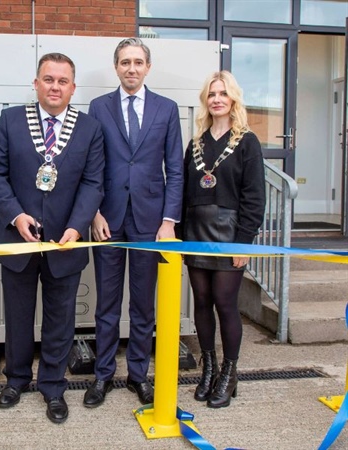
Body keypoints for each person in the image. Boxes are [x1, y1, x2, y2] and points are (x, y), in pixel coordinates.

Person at [0, 53, 105, 424]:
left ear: (73, 87)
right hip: (17, 239)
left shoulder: (89, 129)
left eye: (62, 81)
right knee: (18, 317)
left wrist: (77, 224)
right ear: (35, 83)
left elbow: (93, 182)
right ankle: (16, 380)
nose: (55, 86)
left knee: (60, 320)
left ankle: (53, 386)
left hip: (65, 243)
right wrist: (16, 215)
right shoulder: (11, 120)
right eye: (48, 79)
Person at [83, 37, 184, 408]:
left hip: (151, 222)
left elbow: (175, 169)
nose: (131, 68)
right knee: (107, 304)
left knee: (143, 305)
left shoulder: (166, 109)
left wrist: (169, 220)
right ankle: (103, 375)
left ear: (147, 67)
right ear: (116, 67)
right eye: (125, 62)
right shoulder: (98, 107)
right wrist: (93, 213)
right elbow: (90, 167)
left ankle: (138, 375)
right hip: (107, 221)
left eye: (138, 62)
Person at [181, 70, 265, 408]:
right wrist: (178, 235)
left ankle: (230, 375)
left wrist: (244, 241)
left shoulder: (247, 141)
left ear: (233, 99)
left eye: (223, 93)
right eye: (212, 93)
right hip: (195, 232)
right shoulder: (197, 142)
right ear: (206, 99)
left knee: (224, 302)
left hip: (230, 232)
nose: (217, 99)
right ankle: (209, 369)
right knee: (201, 301)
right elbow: (186, 192)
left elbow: (255, 197)